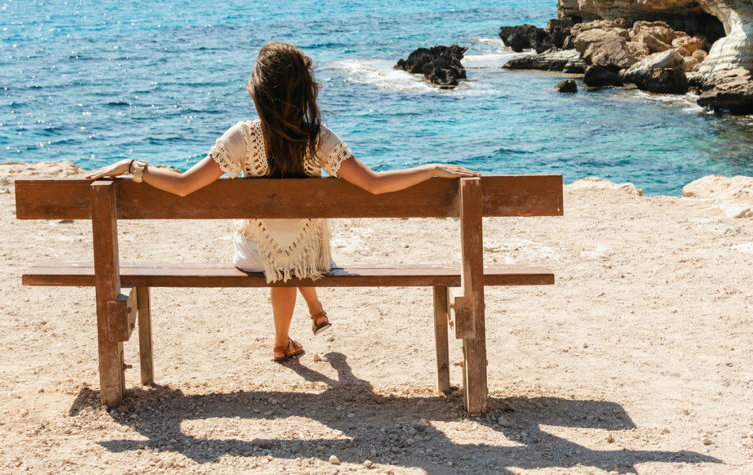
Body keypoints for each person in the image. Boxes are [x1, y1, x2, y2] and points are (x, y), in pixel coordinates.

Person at [87, 41, 479, 362]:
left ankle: (283, 339)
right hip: (312, 261)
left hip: (253, 258)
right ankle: (299, 326)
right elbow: (375, 185)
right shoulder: (319, 138)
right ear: (303, 90)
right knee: (295, 253)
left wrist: (134, 166)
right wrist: (431, 169)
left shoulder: (240, 137)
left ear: (260, 88)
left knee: (277, 250)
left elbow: (185, 185)